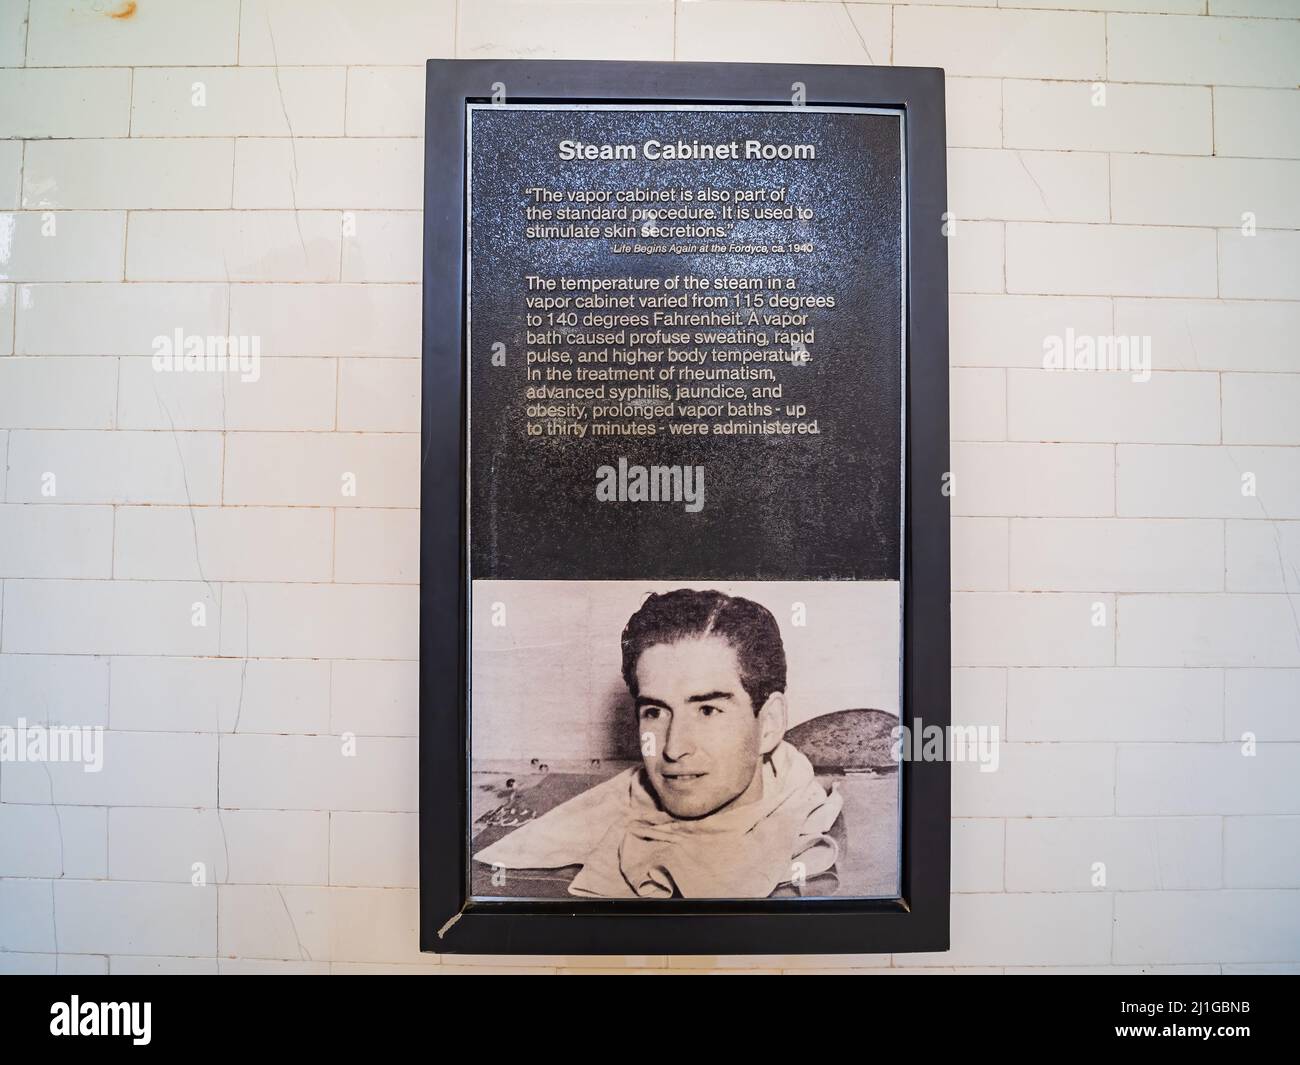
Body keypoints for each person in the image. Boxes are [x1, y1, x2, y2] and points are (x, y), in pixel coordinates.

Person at [472, 588, 844, 898]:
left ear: (769, 724)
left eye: (708, 710)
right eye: (655, 712)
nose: (672, 748)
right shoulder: (596, 823)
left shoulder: (819, 862)